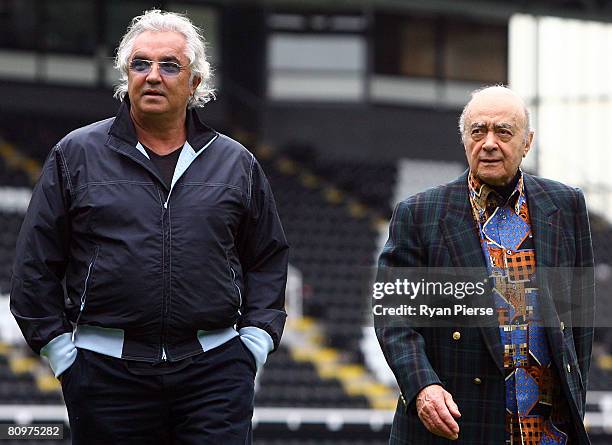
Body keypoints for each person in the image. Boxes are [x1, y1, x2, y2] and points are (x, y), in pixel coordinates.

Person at [10, 9, 288, 444]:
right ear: (127, 75)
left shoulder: (236, 162)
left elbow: (267, 257)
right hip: (104, 376)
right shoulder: (75, 154)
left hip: (215, 373)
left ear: (195, 82)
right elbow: (34, 264)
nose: (152, 75)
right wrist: (61, 353)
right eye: (140, 64)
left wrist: (253, 343)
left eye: (169, 65)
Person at [375, 86, 594, 444]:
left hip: (548, 429)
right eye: (478, 131)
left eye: (503, 131)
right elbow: (393, 316)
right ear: (465, 140)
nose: (489, 142)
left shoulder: (566, 205)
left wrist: (574, 401)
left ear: (527, 142)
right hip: (460, 423)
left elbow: (579, 325)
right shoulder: (419, 214)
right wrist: (422, 386)